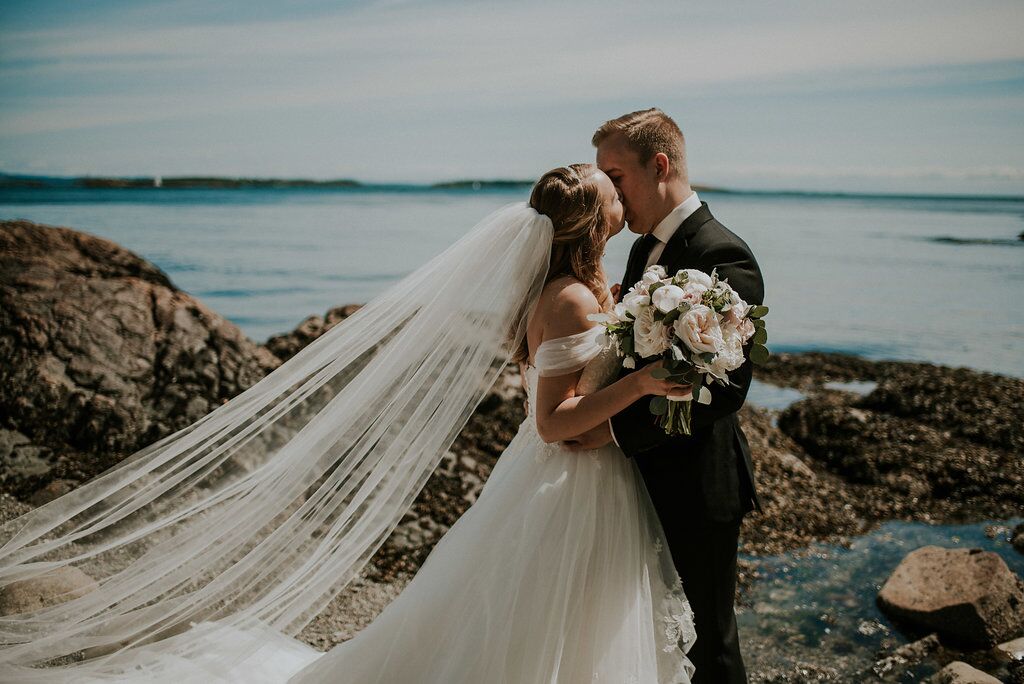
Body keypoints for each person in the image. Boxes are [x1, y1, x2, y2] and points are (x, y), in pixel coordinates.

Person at [0, 164, 697, 683]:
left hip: (584, 473)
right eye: (611, 190)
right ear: (595, 223)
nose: (619, 193)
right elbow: (552, 423)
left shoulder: (575, 288)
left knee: (563, 615)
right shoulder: (570, 298)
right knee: (538, 614)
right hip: (564, 480)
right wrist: (640, 384)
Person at [570, 108, 765, 684]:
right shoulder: (640, 249)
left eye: (617, 176)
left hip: (696, 484)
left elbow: (724, 391)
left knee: (709, 643)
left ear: (660, 166)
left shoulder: (722, 255)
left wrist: (607, 431)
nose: (609, 190)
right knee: (649, 634)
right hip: (638, 479)